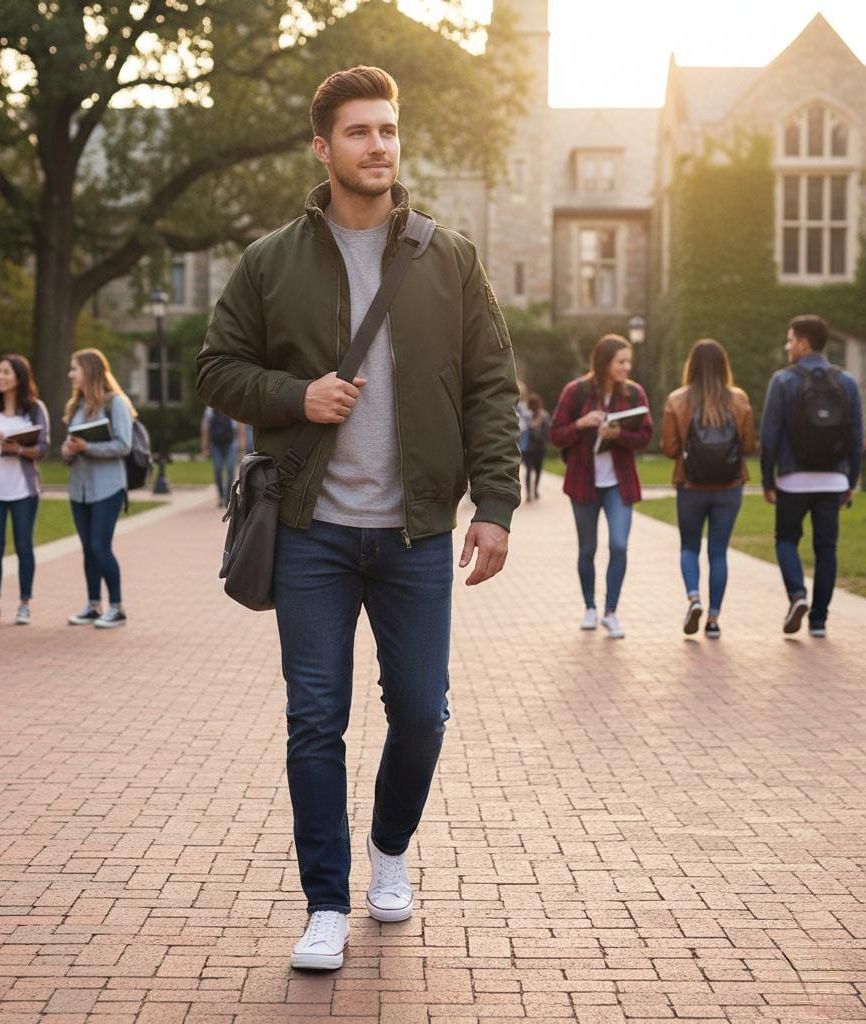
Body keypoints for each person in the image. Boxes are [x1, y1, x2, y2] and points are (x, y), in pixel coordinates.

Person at [195, 66, 520, 971]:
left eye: (388, 130)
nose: (379, 146)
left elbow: (494, 388)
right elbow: (216, 369)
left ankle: (388, 848)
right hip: (311, 531)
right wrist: (297, 393)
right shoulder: (272, 260)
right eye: (359, 132)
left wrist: (494, 504)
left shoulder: (446, 257)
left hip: (415, 533)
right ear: (323, 148)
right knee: (315, 719)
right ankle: (326, 903)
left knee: (422, 714)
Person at [760, 314, 863, 637]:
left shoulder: (783, 380)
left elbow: (770, 434)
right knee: (826, 549)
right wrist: (851, 481)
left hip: (793, 479)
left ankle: (797, 595)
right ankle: (819, 621)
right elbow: (857, 437)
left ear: (804, 343)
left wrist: (767, 479)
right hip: (833, 479)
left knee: (787, 540)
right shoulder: (846, 381)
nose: (787, 346)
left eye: (790, 340)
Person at [549, 334, 652, 639]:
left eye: (628, 361)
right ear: (605, 362)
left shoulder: (634, 394)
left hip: (619, 483)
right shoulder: (576, 391)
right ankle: (590, 608)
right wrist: (581, 424)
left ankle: (610, 612)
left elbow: (646, 436)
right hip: (584, 483)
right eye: (621, 361)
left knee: (619, 545)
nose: (626, 367)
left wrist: (616, 435)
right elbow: (555, 434)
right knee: (587, 548)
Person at [661, 339, 755, 639]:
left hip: (691, 485)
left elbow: (670, 448)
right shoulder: (739, 400)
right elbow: (750, 446)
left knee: (689, 546)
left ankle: (694, 598)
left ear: (692, 365)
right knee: (718, 552)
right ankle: (713, 620)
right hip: (729, 486)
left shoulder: (677, 400)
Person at [0, 355, 51, 626]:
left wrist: (17, 449)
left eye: (5, 372)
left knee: (24, 546)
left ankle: (24, 604)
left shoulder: (35, 409)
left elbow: (43, 448)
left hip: (24, 491)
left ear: (19, 376)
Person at [61, 348, 136, 629]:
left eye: (74, 368)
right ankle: (94, 605)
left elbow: (124, 445)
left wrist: (88, 446)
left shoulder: (115, 403)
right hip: (79, 488)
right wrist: (69, 449)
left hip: (108, 487)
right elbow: (74, 446)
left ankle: (116, 607)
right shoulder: (77, 406)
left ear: (89, 371)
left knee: (100, 546)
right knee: (88, 549)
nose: (70, 374)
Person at [200, 406, 245, 506]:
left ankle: (228, 497)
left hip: (231, 443)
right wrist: (204, 447)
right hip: (216, 445)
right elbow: (205, 428)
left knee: (230, 470)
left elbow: (240, 428)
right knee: (218, 469)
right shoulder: (210, 409)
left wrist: (242, 448)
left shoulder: (233, 406)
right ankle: (221, 496)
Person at [523, 394, 550, 502]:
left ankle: (534, 490)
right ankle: (530, 493)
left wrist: (534, 428)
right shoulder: (527, 416)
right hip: (531, 448)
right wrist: (535, 427)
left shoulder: (544, 415)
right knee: (530, 470)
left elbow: (547, 431)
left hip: (538, 447)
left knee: (536, 470)